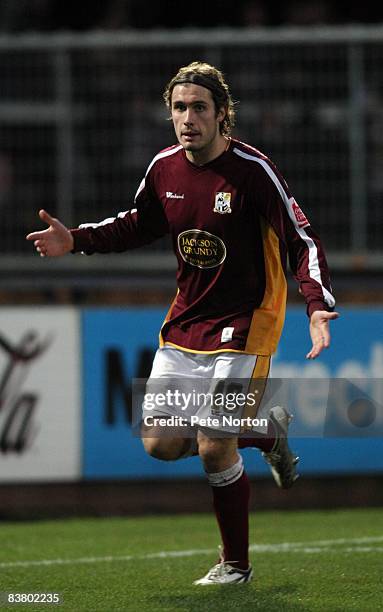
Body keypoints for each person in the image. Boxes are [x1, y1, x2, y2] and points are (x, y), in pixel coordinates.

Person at [27, 61, 339, 585]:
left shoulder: (253, 171)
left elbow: (299, 239)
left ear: (222, 116)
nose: (188, 118)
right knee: (162, 442)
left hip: (247, 323)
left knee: (215, 442)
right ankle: (266, 433)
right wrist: (74, 239)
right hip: (187, 322)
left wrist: (317, 303)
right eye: (179, 108)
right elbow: (135, 224)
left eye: (199, 108)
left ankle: (234, 566)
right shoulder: (164, 168)